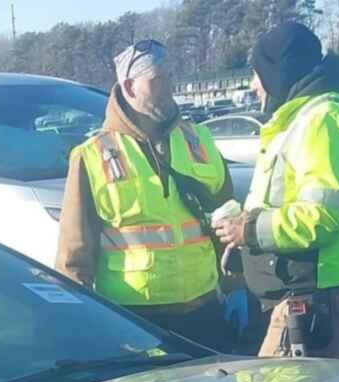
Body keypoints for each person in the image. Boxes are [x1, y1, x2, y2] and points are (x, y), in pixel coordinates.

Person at [56, 39, 237, 354]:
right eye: (157, 80)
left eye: (170, 77)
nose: (169, 88)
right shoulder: (93, 155)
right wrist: (79, 321)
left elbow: (229, 217)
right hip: (136, 319)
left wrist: (237, 289)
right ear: (129, 86)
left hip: (206, 310)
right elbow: (75, 251)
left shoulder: (199, 139)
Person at [212, 22, 339, 359]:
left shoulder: (323, 120)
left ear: (279, 72)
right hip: (305, 296)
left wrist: (250, 230)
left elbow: (323, 216)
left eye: (258, 73)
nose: (253, 85)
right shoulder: (301, 120)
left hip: (314, 299)